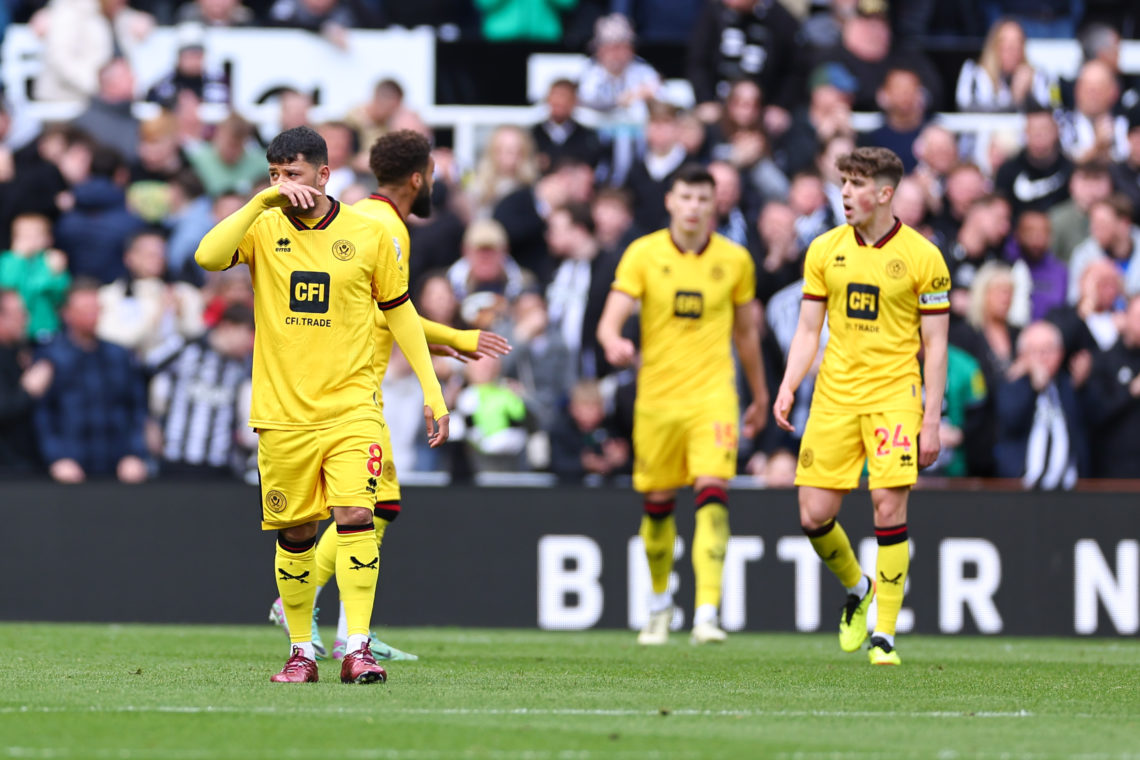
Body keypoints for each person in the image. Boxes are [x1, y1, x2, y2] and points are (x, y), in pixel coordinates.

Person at [194, 125, 451, 684]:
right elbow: (207, 256)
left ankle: (355, 646)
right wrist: (261, 199)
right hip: (283, 414)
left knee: (358, 515)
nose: (285, 185)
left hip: (352, 409)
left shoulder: (367, 233)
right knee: (296, 535)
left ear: (324, 174)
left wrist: (434, 392)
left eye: (293, 174)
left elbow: (401, 312)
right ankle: (301, 653)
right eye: (275, 175)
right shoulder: (263, 226)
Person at [269, 129, 512, 663]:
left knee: (379, 508)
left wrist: (446, 345)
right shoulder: (383, 227)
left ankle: (340, 629)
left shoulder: (373, 218)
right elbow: (390, 309)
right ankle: (305, 609)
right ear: (419, 178)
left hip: (353, 387)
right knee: (366, 509)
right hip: (352, 392)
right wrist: (454, 338)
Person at [772, 146, 950, 666]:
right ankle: (858, 586)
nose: (845, 194)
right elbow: (809, 329)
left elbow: (935, 345)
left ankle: (886, 636)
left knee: (888, 507)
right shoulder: (824, 249)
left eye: (855, 185)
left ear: (885, 193)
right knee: (813, 514)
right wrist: (789, 385)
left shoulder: (923, 257)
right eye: (842, 183)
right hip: (834, 395)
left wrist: (932, 419)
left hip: (895, 395)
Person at [596, 163, 769, 646]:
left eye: (703, 199)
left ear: (715, 205)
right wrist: (615, 344)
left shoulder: (735, 260)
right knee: (657, 504)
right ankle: (658, 606)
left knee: (713, 491)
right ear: (670, 201)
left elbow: (747, 335)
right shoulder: (643, 254)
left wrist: (759, 396)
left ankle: (708, 612)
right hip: (657, 400)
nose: (693, 207)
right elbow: (609, 322)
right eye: (685, 198)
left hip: (713, 396)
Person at [33, 278, 150, 484]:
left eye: (95, 308)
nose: (92, 314)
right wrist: (56, 458)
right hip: (69, 469)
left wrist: (135, 454)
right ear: (67, 313)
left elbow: (137, 408)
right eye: (84, 309)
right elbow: (41, 413)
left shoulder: (119, 355)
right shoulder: (50, 358)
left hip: (118, 466)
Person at [994, 320, 1088, 488]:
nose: (1042, 358)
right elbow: (1010, 422)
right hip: (1021, 488)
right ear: (1021, 355)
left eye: (1048, 350)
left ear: (1060, 353)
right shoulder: (1012, 384)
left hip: (1069, 489)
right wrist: (1033, 388)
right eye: (1034, 351)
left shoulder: (1070, 385)